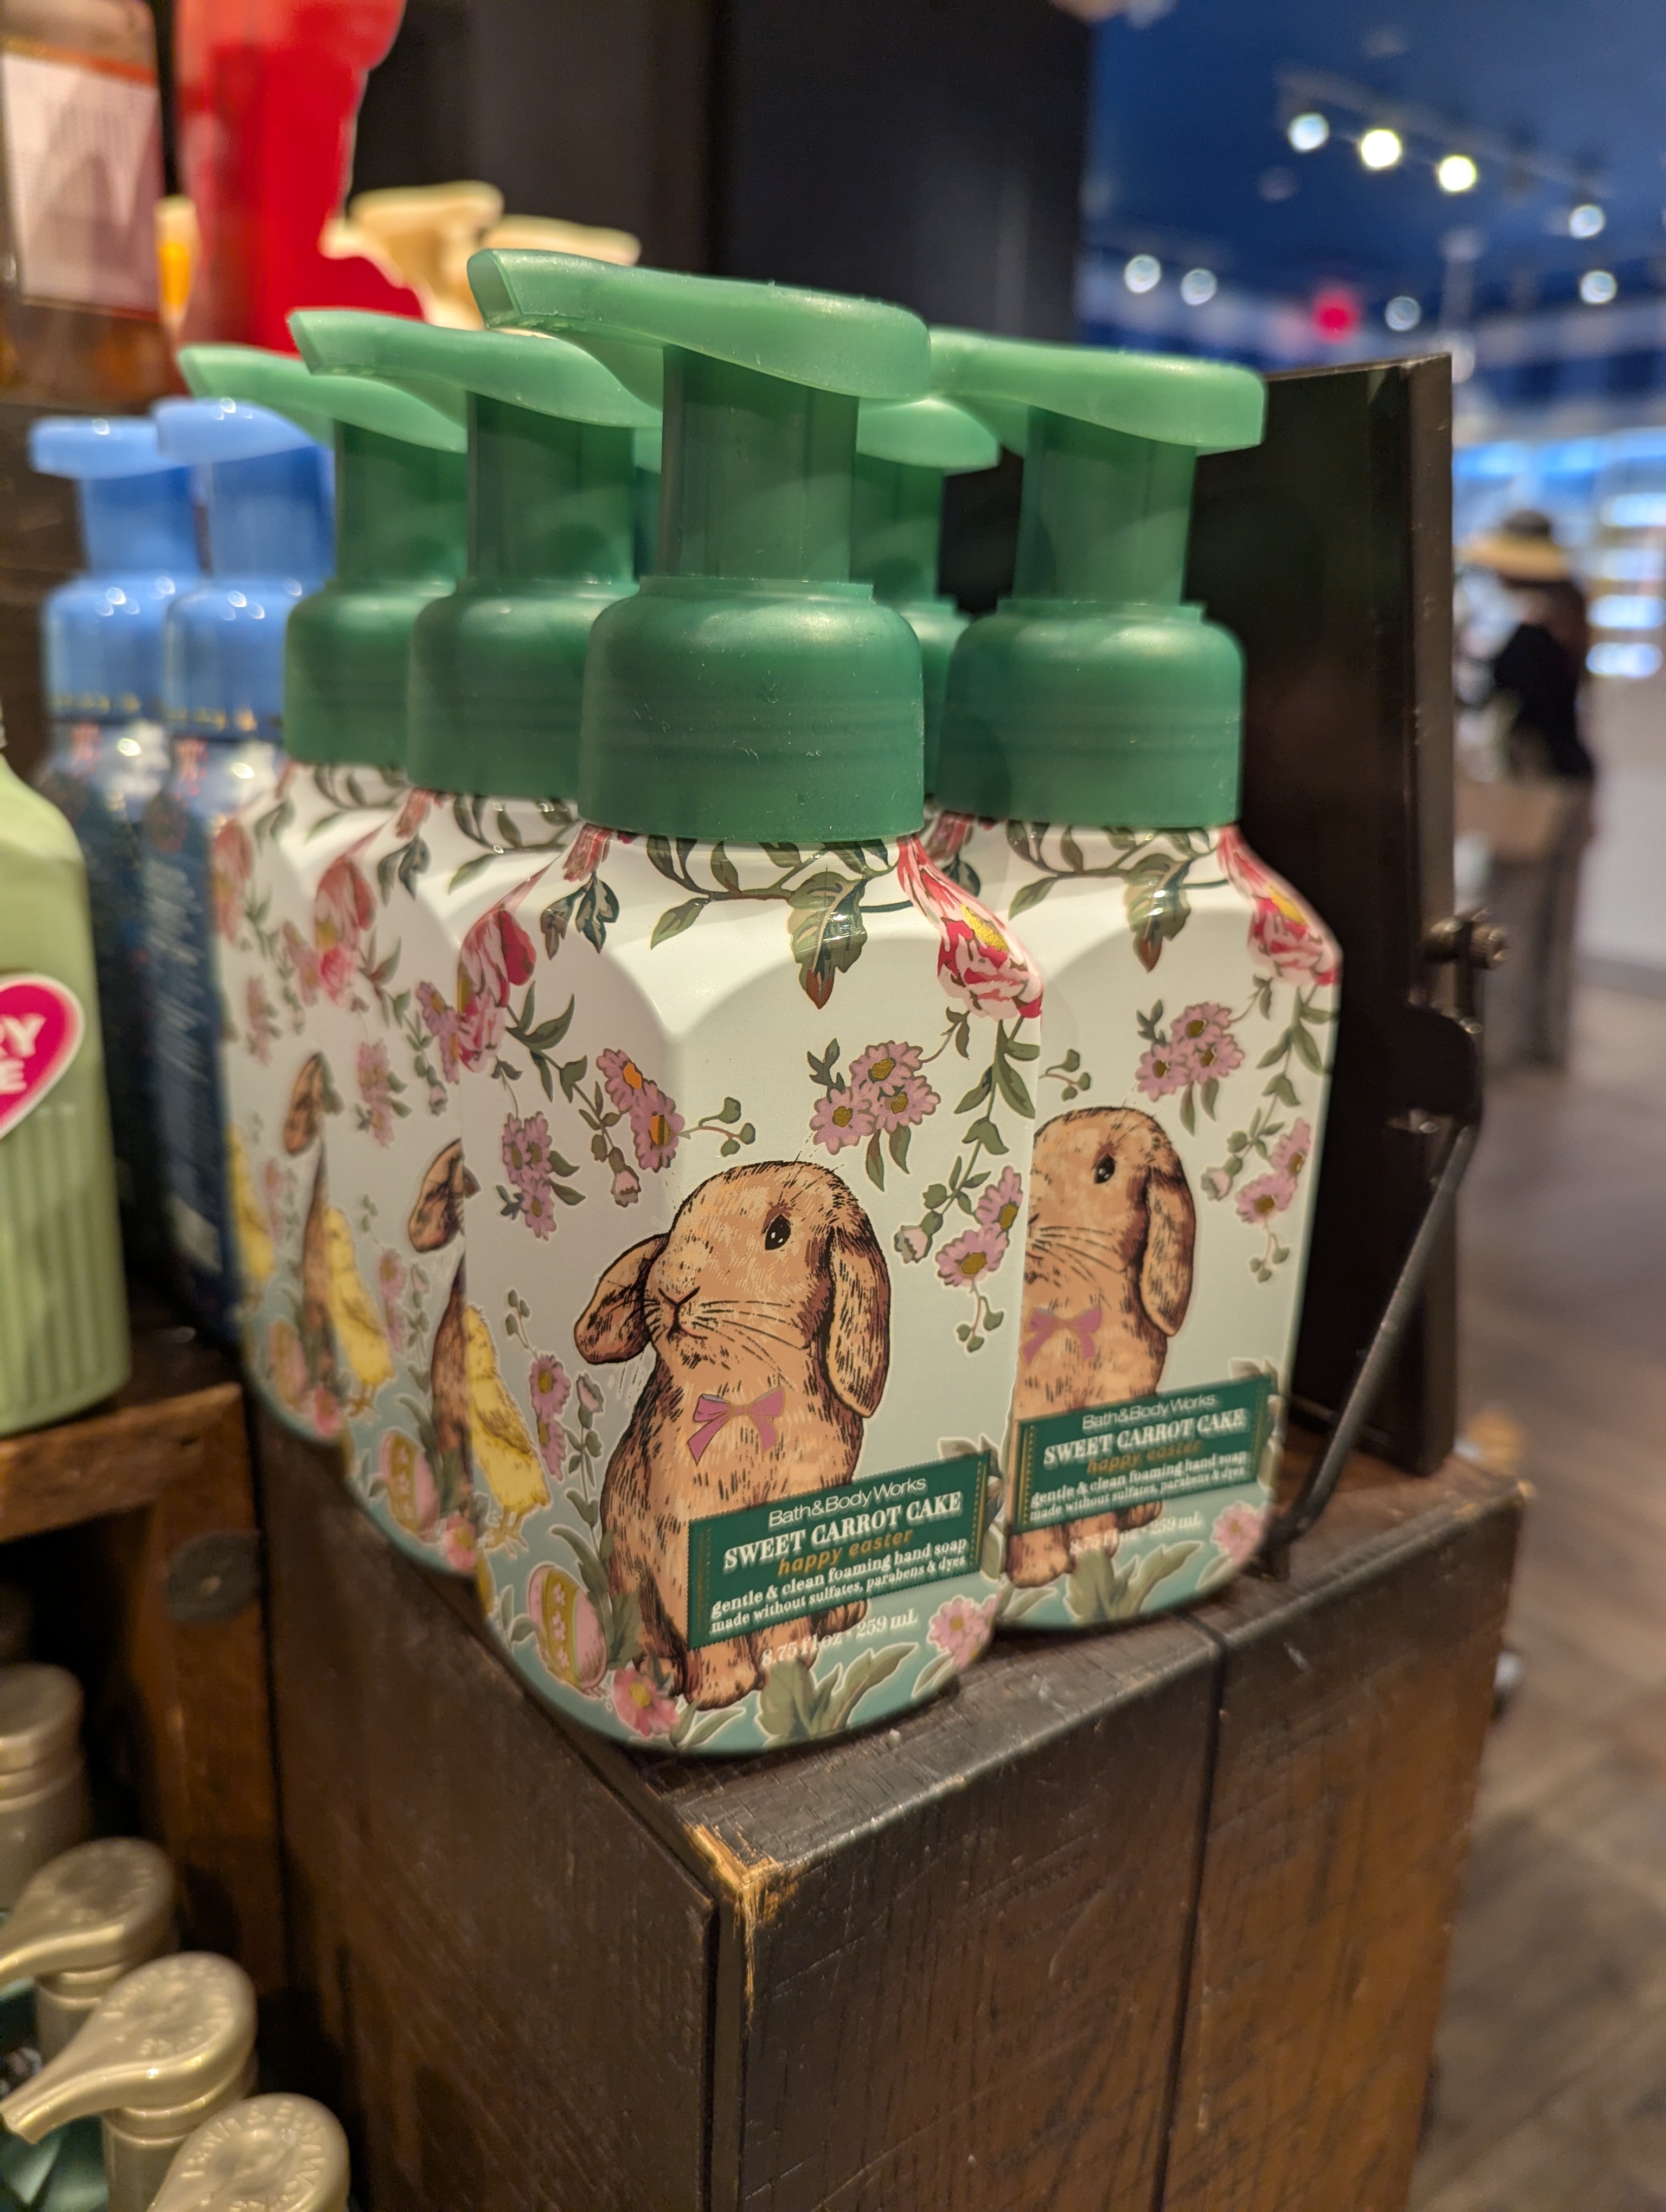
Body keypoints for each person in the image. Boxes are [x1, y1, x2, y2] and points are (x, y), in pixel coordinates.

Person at [1459, 510, 1595, 1065]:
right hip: (1572, 785)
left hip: (1536, 792)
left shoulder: (1533, 633)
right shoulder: (1569, 620)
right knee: (1553, 922)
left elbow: (1496, 699)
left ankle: (1500, 1044)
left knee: (1510, 917)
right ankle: (1544, 1042)